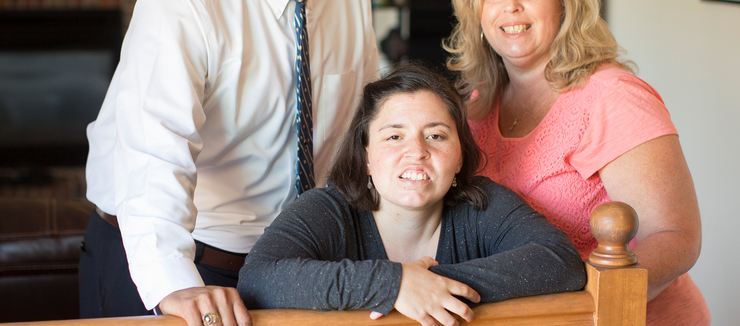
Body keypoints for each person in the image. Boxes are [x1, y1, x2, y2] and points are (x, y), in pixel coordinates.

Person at [80, 0, 379, 326]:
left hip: (295, 263)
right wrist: (174, 284)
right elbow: (152, 152)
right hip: (172, 256)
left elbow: (365, 127)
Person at [444, 0, 709, 325]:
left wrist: (583, 298)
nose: (510, 5)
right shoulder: (476, 105)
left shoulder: (613, 98)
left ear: (565, 3)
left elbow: (676, 238)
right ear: (476, 11)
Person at [238, 64, 586, 326]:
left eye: (435, 135)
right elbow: (258, 279)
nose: (416, 151)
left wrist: (429, 286)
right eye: (394, 137)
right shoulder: (327, 209)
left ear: (460, 153)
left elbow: (561, 262)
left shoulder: (484, 203)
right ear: (366, 156)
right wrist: (395, 284)